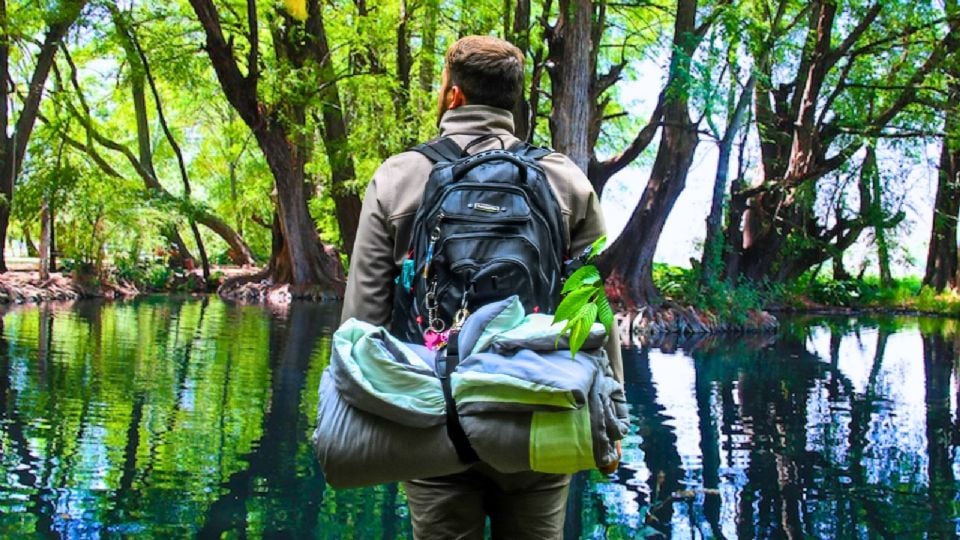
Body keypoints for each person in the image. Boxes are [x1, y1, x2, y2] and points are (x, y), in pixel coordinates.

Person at [341, 35, 623, 540]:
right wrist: (613, 417)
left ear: (453, 95)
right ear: (512, 100)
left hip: (431, 415)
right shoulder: (566, 181)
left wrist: (356, 426)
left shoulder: (398, 176)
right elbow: (594, 311)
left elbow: (361, 321)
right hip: (539, 412)